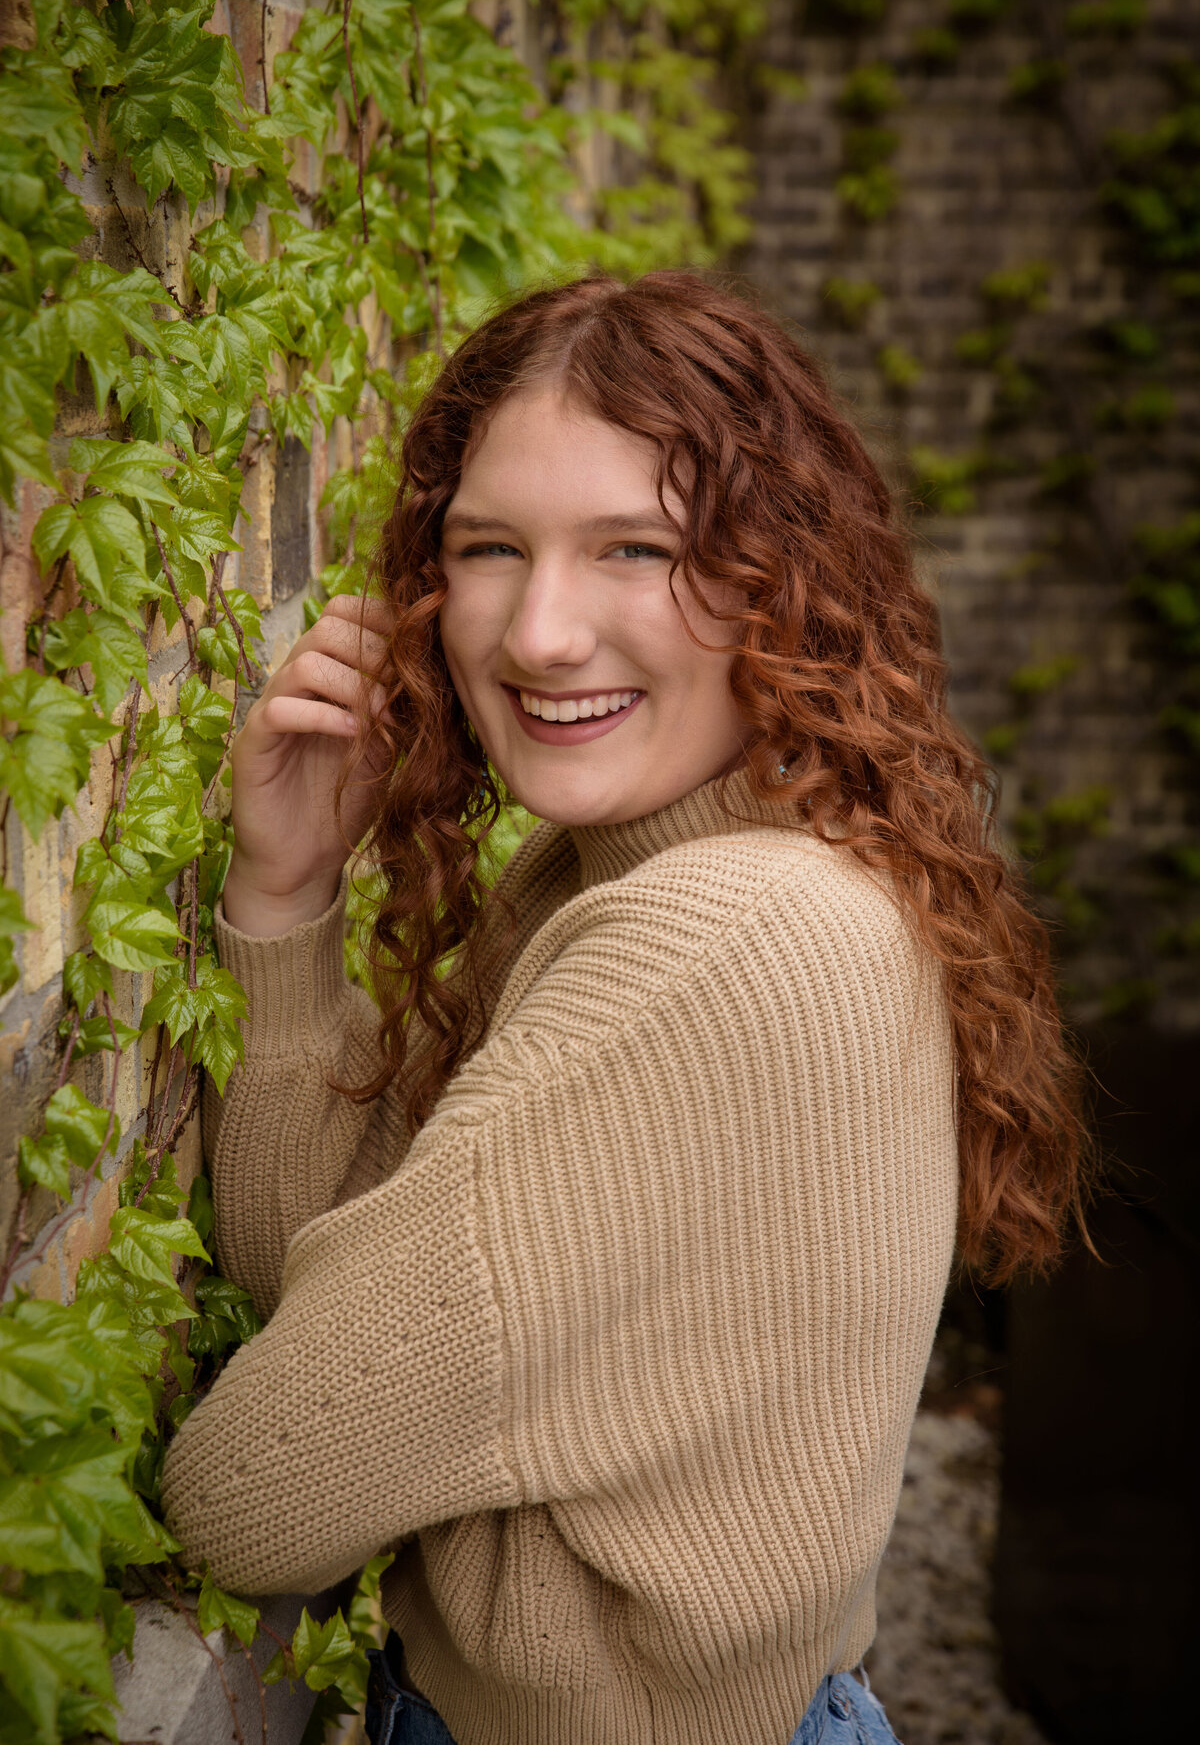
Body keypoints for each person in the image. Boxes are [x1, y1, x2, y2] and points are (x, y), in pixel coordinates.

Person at [161, 271, 1088, 1745]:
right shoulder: (669, 862)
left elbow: (249, 1494)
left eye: (635, 549)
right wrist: (287, 899)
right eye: (489, 547)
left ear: (776, 583)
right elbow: (318, 1289)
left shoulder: (712, 945)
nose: (539, 631)